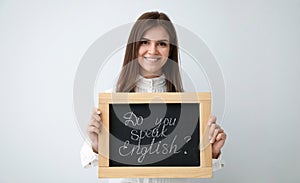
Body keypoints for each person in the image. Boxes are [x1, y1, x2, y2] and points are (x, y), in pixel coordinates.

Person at [81, 11, 227, 182]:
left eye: (162, 44)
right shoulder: (111, 100)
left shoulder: (190, 105)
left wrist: (213, 150)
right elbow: (89, 159)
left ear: (170, 49)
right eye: (144, 42)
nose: (152, 50)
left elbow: (197, 162)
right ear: (133, 46)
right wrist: (97, 144)